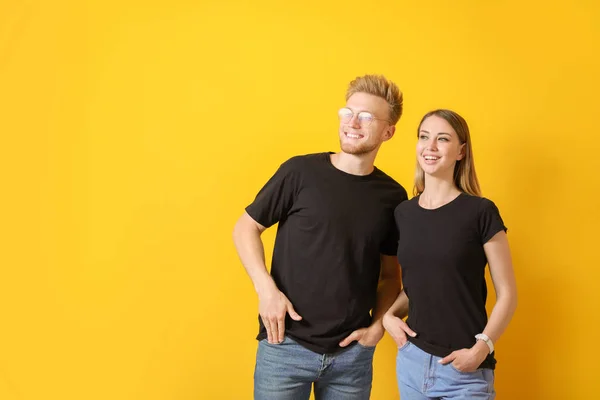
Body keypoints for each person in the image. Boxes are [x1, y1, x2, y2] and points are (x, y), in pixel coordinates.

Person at [232, 74, 408, 399]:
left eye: (366, 117)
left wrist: (376, 328)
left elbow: (389, 277)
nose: (352, 123)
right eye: (348, 112)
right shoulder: (300, 173)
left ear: (388, 131)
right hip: (284, 346)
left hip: (351, 358)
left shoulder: (393, 196)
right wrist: (266, 290)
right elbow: (246, 227)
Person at [383, 109, 518, 399]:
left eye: (442, 139)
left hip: (465, 370)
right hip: (411, 363)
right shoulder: (403, 213)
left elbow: (507, 294)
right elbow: (419, 286)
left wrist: (481, 349)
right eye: (423, 137)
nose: (430, 147)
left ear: (461, 151)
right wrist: (389, 316)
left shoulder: (481, 212)